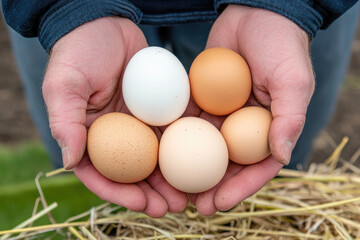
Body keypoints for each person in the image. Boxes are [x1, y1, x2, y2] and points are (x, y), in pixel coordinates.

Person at [2, 1, 359, 217]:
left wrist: (288, 6)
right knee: (82, 143)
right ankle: (100, 222)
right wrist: (66, 9)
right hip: (83, 17)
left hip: (269, 14)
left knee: (278, 151)